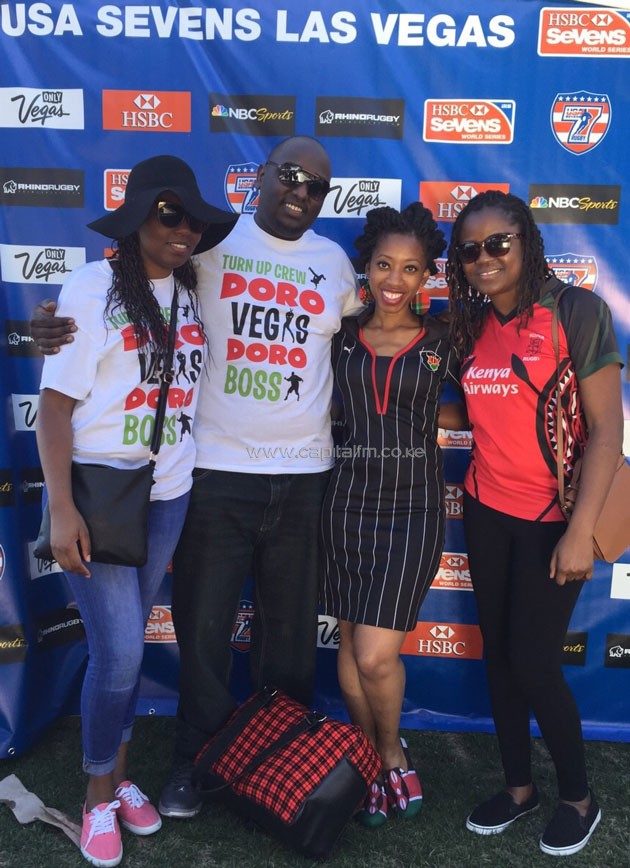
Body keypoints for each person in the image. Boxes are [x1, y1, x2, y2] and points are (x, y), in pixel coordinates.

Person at [31, 136, 362, 820]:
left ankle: (278, 770)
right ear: (261, 177)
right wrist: (49, 329)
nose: (301, 192)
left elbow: (382, 327)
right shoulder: (207, 249)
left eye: (317, 187)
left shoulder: (334, 265)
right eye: (290, 175)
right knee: (203, 632)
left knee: (288, 637)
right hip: (212, 472)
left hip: (301, 475)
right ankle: (195, 763)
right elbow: (114, 293)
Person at [35, 155, 235, 867]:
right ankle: (96, 797)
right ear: (137, 218)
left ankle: (120, 779)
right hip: (98, 497)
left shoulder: (191, 288)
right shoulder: (91, 289)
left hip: (168, 495)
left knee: (127, 648)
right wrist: (61, 510)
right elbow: (52, 409)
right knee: (119, 653)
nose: (184, 231)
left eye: (194, 220)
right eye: (169, 214)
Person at [446, 190, 623, 857]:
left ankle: (578, 798)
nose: (484, 259)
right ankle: (519, 789)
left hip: (554, 519)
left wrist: (580, 532)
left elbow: (606, 430)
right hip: (485, 508)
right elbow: (475, 412)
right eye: (470, 250)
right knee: (499, 656)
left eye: (498, 243)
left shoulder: (576, 311)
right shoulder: (468, 325)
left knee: (534, 662)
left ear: (526, 241)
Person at [320, 203, 464, 827]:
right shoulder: (339, 335)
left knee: (376, 656)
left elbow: (487, 399)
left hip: (412, 510)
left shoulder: (443, 339)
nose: (395, 280)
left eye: (411, 268)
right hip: (344, 505)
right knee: (351, 647)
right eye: (384, 265)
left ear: (428, 275)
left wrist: (425, 418)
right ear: (367, 267)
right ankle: (369, 759)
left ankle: (391, 750)